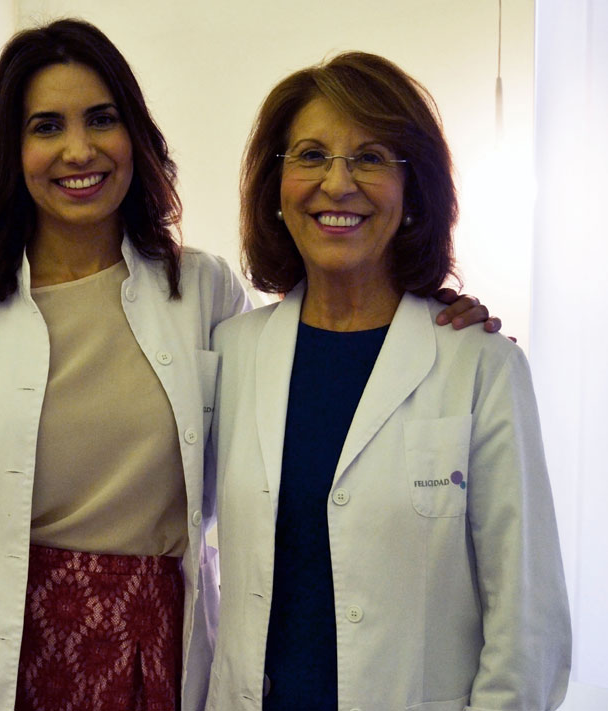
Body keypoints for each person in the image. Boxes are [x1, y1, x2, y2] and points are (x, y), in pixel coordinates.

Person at [0, 18, 498, 711]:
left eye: (101, 119)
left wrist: (424, 314)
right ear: (11, 151)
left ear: (134, 135)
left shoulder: (202, 290)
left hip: (159, 647)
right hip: (3, 652)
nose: (78, 149)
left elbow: (305, 361)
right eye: (46, 126)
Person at [205, 52, 571, 711]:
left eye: (370, 158)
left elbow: (527, 626)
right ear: (277, 188)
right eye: (311, 156)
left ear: (412, 194)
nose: (337, 183)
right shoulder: (231, 352)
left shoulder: (481, 366)